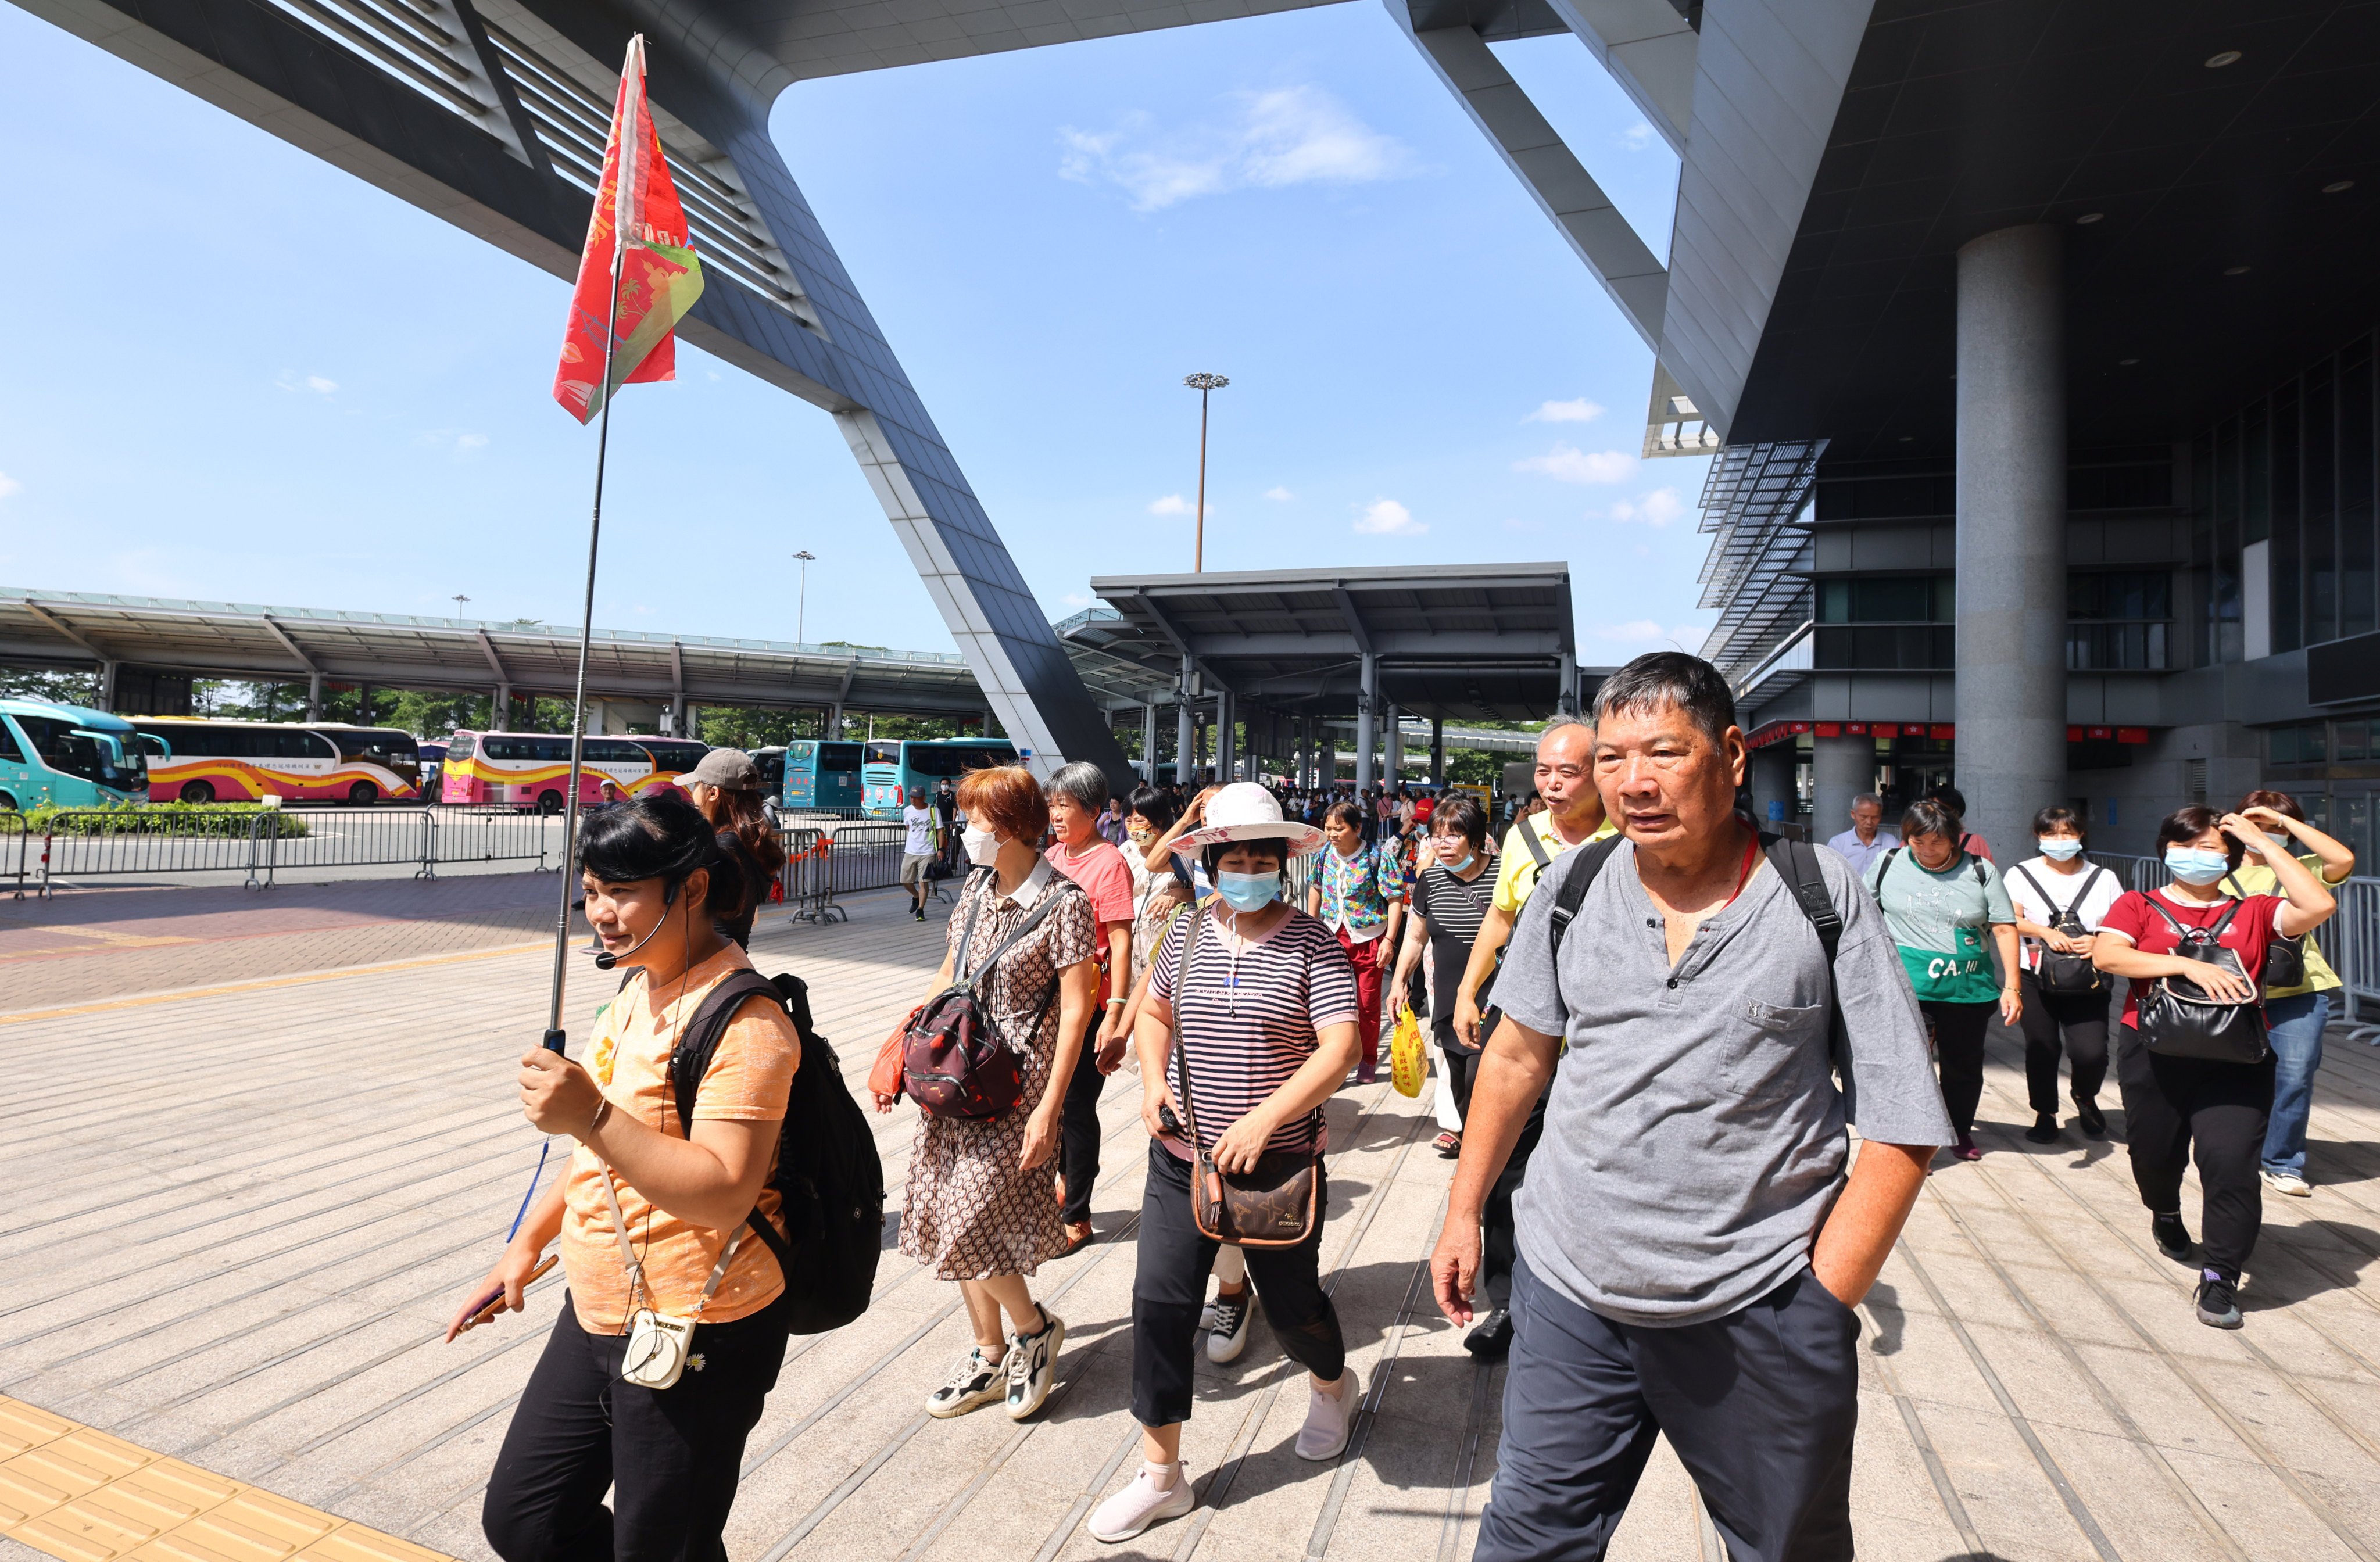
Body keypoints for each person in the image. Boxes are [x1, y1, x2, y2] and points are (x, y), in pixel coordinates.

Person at [1433, 652, 1951, 1562]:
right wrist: (1463, 1209)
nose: (1632, 783)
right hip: (1570, 1295)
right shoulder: (1570, 888)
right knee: (1525, 1542)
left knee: (1784, 1546)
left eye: (1664, 753)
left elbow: (1902, 1118)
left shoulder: (1818, 897)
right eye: (1610, 758)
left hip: (1758, 1304)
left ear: (1732, 754)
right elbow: (1514, 1060)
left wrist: (1823, 1299)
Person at [460, 796, 802, 1562]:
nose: (602, 913)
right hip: (597, 1308)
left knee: (663, 1544)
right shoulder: (633, 991)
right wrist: (524, 1245)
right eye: (590, 891)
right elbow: (600, 1162)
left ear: (689, 889)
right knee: (525, 1521)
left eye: (623, 891)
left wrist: (589, 1115)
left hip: (701, 1321)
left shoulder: (747, 1025)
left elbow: (723, 1190)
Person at [1090, 783, 1361, 1544]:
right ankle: (1160, 1476)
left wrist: (1269, 1115)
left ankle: (1331, 1386)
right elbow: (1153, 1013)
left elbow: (1339, 1047)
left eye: (1257, 859)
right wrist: (1150, 1083)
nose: (1243, 870)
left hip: (1277, 1168)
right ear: (1208, 863)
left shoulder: (1313, 944)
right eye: (1230, 858)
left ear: (1279, 864)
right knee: (1159, 1305)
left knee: (1292, 1306)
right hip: (1181, 1158)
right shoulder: (1181, 933)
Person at [879, 766, 1100, 1418]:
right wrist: (900, 1046)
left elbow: (1078, 1010)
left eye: (975, 820)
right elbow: (949, 973)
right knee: (954, 1211)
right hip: (953, 1077)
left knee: (967, 1220)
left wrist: (1051, 1110)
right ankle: (988, 1349)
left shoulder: (1066, 904)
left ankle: (1034, 1331)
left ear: (1007, 828)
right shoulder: (975, 888)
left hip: (1016, 1090)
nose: (966, 830)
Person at [2092, 807, 2336, 1328]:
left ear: (2229, 856)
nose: (2196, 856)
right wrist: (2185, 964)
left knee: (2230, 1166)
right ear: (2165, 849)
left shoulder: (2255, 910)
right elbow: (2108, 957)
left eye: (2209, 847)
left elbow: (2318, 903)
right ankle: (2165, 1211)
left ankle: (2219, 1276)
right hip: (2153, 1052)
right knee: (2154, 1156)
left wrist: (2264, 842)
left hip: (2237, 1058)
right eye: (2185, 845)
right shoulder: (2138, 904)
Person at [1447, 719, 1615, 1357]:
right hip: (1528, 1035)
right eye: (1544, 770)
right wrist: (1468, 989)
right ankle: (1509, 1305)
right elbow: (1500, 916)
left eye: (1567, 772)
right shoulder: (1521, 836)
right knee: (1506, 1171)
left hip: (1602, 1047)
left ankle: (1590, 1302)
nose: (1552, 783)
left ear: (1599, 772)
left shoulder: (1628, 838)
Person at [1864, 797, 2020, 1163]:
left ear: (1955, 839)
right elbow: (1863, 910)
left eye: (1937, 842)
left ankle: (1958, 1129)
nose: (1927, 850)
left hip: (1967, 989)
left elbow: (2004, 927)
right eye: (1918, 842)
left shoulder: (1980, 871)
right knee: (1907, 1063)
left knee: (1962, 1066)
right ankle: (1910, 1136)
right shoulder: (1888, 864)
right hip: (1907, 988)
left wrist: (2012, 985)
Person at [2225, 790, 2356, 1197]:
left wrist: (2279, 826)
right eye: (2255, 824)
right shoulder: (2216, 868)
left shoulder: (2300, 869)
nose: (2261, 833)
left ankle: (2281, 1162)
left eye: (2273, 826)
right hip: (2231, 988)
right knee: (2228, 1073)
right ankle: (2228, 1148)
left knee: (2294, 1076)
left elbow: (2343, 860)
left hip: (2299, 989)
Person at [1044, 761, 1139, 1256]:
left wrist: (1117, 1015)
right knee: (1051, 1105)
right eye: (1053, 804)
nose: (1056, 815)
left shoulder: (1109, 863)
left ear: (1095, 811)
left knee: (1078, 1107)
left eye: (1066, 805)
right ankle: (1061, 1184)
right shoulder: (1052, 855)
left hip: (1092, 1008)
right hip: (1050, 1008)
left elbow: (1121, 942)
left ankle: (1077, 1214)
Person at [2005, 806, 2123, 1144]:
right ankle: (2045, 1112)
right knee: (2041, 1048)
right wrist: (2044, 932)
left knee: (2092, 1053)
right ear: (2038, 837)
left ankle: (2085, 1096)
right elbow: (2009, 919)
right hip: (2035, 975)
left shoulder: (2104, 878)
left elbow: (2120, 925)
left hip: (2089, 978)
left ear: (2081, 835)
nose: (2060, 841)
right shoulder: (2020, 873)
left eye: (2067, 833)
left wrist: (2099, 939)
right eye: (2051, 834)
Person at [1390, 793, 1496, 1156]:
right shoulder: (1431, 881)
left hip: (1496, 998)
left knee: (1480, 1075)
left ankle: (1486, 1152)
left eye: (1453, 835)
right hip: (1448, 997)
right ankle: (1471, 1145)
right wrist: (1400, 981)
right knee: (1458, 1080)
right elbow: (1416, 937)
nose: (1443, 844)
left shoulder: (1501, 876)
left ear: (1476, 838)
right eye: (1437, 835)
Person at [1305, 800, 1406, 1084]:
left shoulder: (1377, 856)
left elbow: (1395, 899)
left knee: (1367, 1003)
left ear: (1357, 828)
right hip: (1331, 937)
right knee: (1327, 1003)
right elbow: (1316, 888)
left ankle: (1367, 1059)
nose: (1333, 834)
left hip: (1370, 939)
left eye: (1339, 829)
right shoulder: (1324, 853)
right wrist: (1312, 926)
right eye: (1328, 829)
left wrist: (1389, 940)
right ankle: (1330, 1061)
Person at [683, 748, 788, 949]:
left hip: (706, 962)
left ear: (713, 793)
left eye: (696, 785)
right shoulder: (749, 841)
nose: (692, 792)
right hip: (730, 957)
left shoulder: (723, 847)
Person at [1825, 791, 1898, 876]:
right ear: (1853, 814)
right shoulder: (1837, 844)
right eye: (1864, 817)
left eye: (1875, 817)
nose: (1869, 822)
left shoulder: (1891, 843)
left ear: (1880, 817)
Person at [1926, 784, 1992, 861]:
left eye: (1943, 810)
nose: (1937, 814)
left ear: (1956, 814)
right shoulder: (1914, 841)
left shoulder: (1974, 842)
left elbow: (1988, 871)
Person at [900, 787, 936, 921]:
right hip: (911, 850)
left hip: (928, 851)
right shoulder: (907, 811)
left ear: (923, 798)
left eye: (916, 797)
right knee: (904, 880)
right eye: (911, 797)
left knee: (923, 882)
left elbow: (939, 830)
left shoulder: (933, 810)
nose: (913, 800)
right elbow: (908, 827)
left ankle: (920, 910)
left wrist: (941, 850)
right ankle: (916, 896)